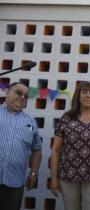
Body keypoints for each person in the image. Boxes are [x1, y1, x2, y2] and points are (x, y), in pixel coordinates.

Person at [50, 81, 90, 210]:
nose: (88, 96)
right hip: (68, 175)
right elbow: (56, 149)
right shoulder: (67, 118)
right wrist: (53, 177)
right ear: (77, 96)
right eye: (84, 92)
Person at [0, 82, 42, 210]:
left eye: (26, 96)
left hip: (15, 182)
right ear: (7, 91)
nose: (23, 97)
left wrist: (33, 173)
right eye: (19, 92)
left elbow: (36, 149)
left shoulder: (30, 123)